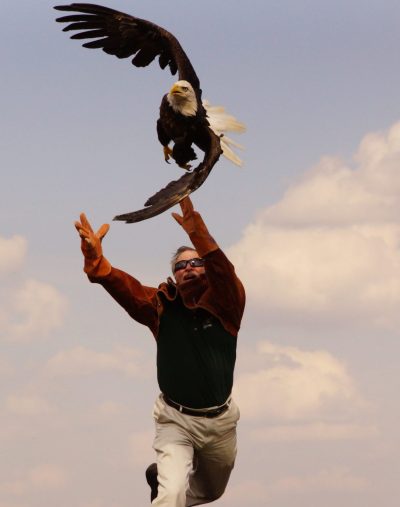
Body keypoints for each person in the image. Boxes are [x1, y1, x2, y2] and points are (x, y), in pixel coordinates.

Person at [74, 197, 246, 506]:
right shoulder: (161, 306)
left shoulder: (227, 304)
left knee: (211, 492)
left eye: (196, 262)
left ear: (207, 269)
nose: (189, 268)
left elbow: (224, 272)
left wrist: (200, 236)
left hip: (220, 420)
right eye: (181, 266)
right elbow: (129, 291)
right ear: (174, 277)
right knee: (171, 496)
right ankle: (165, 493)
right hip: (175, 420)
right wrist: (100, 266)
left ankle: (162, 488)